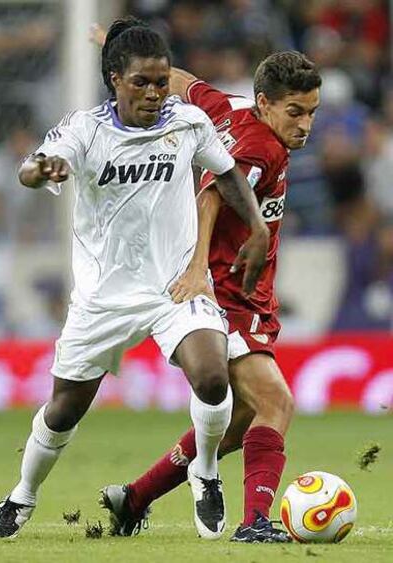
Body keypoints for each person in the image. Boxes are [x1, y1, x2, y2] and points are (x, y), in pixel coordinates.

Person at [0, 18, 269, 541]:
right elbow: (36, 165)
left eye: (161, 81)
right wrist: (41, 171)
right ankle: (23, 494)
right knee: (64, 410)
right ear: (115, 78)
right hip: (103, 298)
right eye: (142, 82)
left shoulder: (187, 122)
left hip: (172, 287)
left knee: (211, 375)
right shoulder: (85, 129)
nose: (155, 93)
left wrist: (257, 228)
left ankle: (204, 469)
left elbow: (227, 174)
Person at [92, 23, 321, 544]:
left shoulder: (231, 107)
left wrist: (116, 44)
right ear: (266, 103)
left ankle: (134, 498)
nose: (306, 124)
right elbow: (213, 192)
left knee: (239, 418)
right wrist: (197, 270)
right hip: (223, 293)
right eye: (296, 112)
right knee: (275, 404)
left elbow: (182, 81)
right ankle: (254, 523)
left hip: (246, 293)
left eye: (312, 112)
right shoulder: (262, 148)